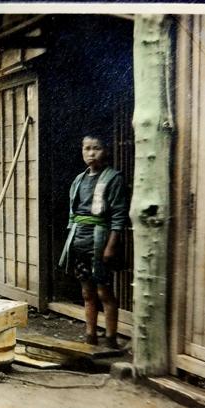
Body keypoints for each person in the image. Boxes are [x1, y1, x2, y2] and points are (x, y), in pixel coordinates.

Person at [58, 134, 129, 349]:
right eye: (87, 148)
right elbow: (73, 214)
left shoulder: (113, 178)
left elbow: (118, 215)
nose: (91, 153)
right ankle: (90, 336)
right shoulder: (79, 180)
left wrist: (111, 245)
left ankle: (110, 338)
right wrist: (72, 241)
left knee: (103, 291)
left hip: (101, 239)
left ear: (105, 150)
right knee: (87, 292)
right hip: (80, 239)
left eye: (96, 148)